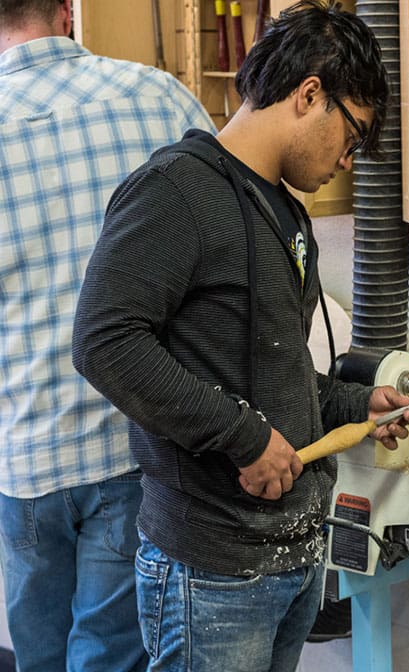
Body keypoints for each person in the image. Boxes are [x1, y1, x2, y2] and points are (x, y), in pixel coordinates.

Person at [72, 1, 409, 670]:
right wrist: (244, 439)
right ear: (309, 95)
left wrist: (356, 405)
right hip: (211, 571)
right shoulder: (175, 191)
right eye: (352, 135)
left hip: (290, 559)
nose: (349, 160)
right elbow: (105, 342)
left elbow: (277, 375)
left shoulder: (284, 214)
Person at [0, 1, 216, 671]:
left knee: (39, 660)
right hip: (134, 446)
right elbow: (233, 245)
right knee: (112, 658)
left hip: (23, 456)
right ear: (68, 11)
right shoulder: (157, 96)